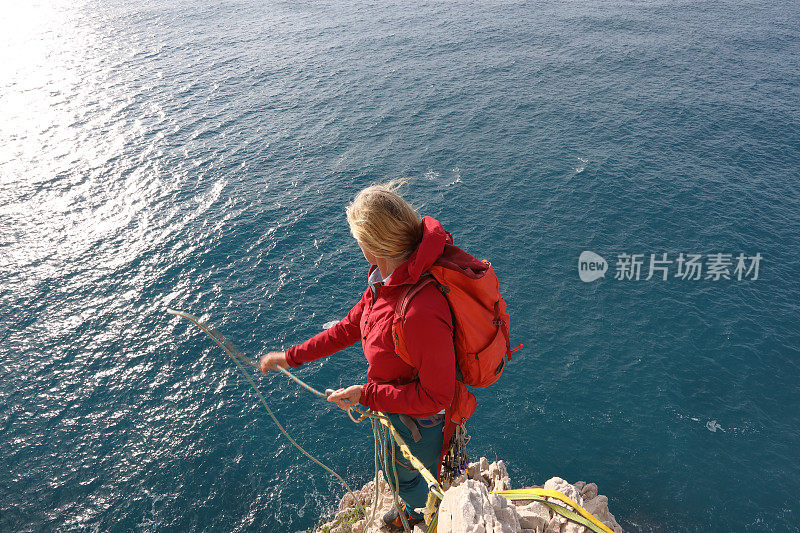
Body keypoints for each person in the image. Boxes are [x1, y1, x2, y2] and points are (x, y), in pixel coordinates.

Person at [260, 181, 456, 528]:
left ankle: (428, 514)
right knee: (394, 471)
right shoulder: (385, 282)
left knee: (409, 480)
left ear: (371, 244)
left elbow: (437, 395)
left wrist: (365, 394)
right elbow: (349, 328)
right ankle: (413, 510)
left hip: (421, 421)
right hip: (395, 404)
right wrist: (289, 358)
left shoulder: (419, 311)